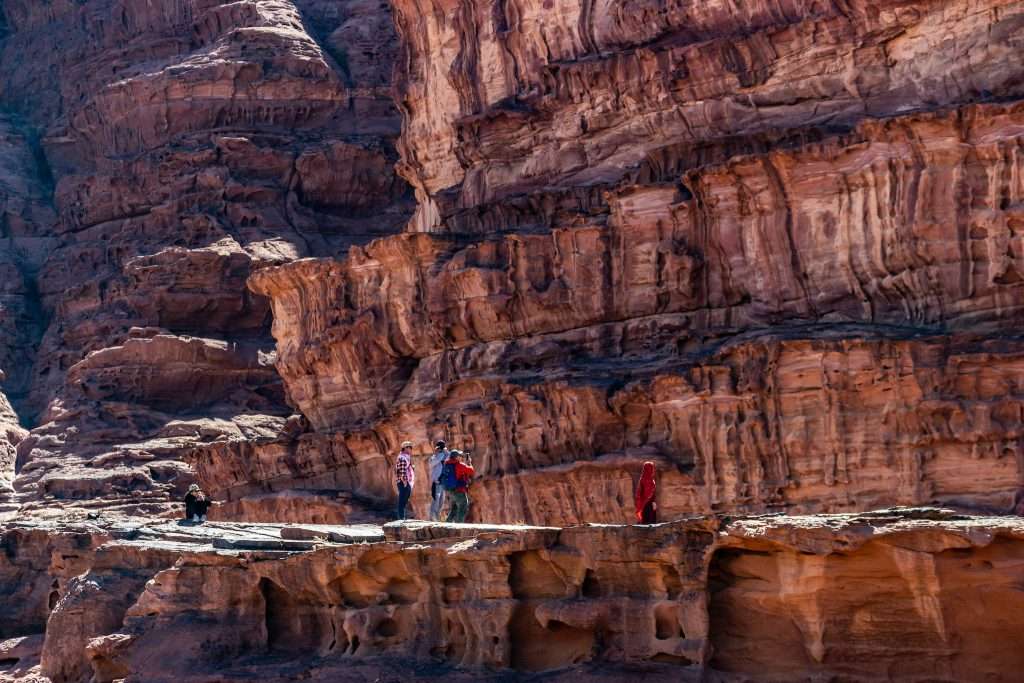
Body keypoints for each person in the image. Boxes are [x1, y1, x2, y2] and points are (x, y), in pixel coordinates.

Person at [442, 449, 475, 523]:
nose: (461, 457)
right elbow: (471, 471)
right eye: (459, 456)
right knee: (463, 506)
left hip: (451, 490)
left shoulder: (447, 464)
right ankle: (459, 524)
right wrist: (469, 463)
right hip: (459, 490)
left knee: (454, 508)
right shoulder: (459, 465)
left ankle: (447, 523)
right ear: (456, 457)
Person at [428, 439, 449, 522]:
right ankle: (432, 518)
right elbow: (431, 464)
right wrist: (439, 454)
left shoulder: (445, 455)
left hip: (443, 482)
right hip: (437, 482)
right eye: (440, 449)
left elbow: (452, 455)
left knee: (441, 502)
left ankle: (436, 518)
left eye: (442, 449)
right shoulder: (434, 457)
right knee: (435, 500)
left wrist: (446, 452)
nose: (441, 450)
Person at [395, 440, 416, 520]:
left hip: (406, 481)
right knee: (402, 499)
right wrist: (404, 482)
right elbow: (401, 470)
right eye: (410, 447)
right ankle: (401, 517)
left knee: (405, 499)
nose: (411, 449)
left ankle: (402, 517)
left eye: (411, 447)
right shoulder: (402, 458)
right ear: (405, 448)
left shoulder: (406, 457)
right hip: (403, 481)